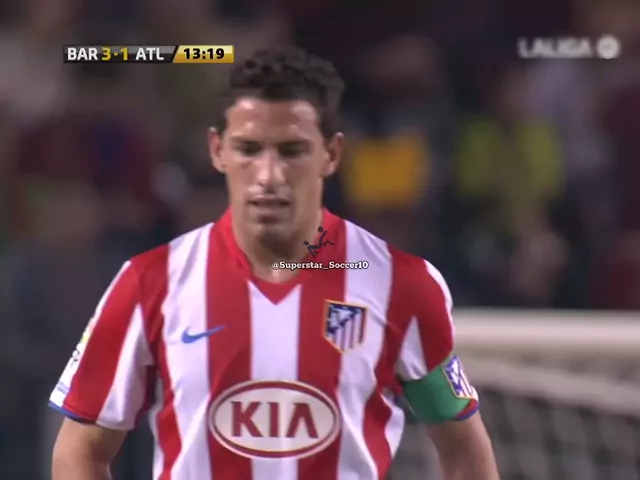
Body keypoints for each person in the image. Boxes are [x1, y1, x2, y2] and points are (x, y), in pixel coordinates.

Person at [49, 46, 499, 480]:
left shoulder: (400, 284)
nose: (268, 175)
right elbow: (78, 451)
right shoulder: (150, 282)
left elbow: (463, 448)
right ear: (217, 150)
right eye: (248, 149)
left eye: (291, 151)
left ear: (331, 154)